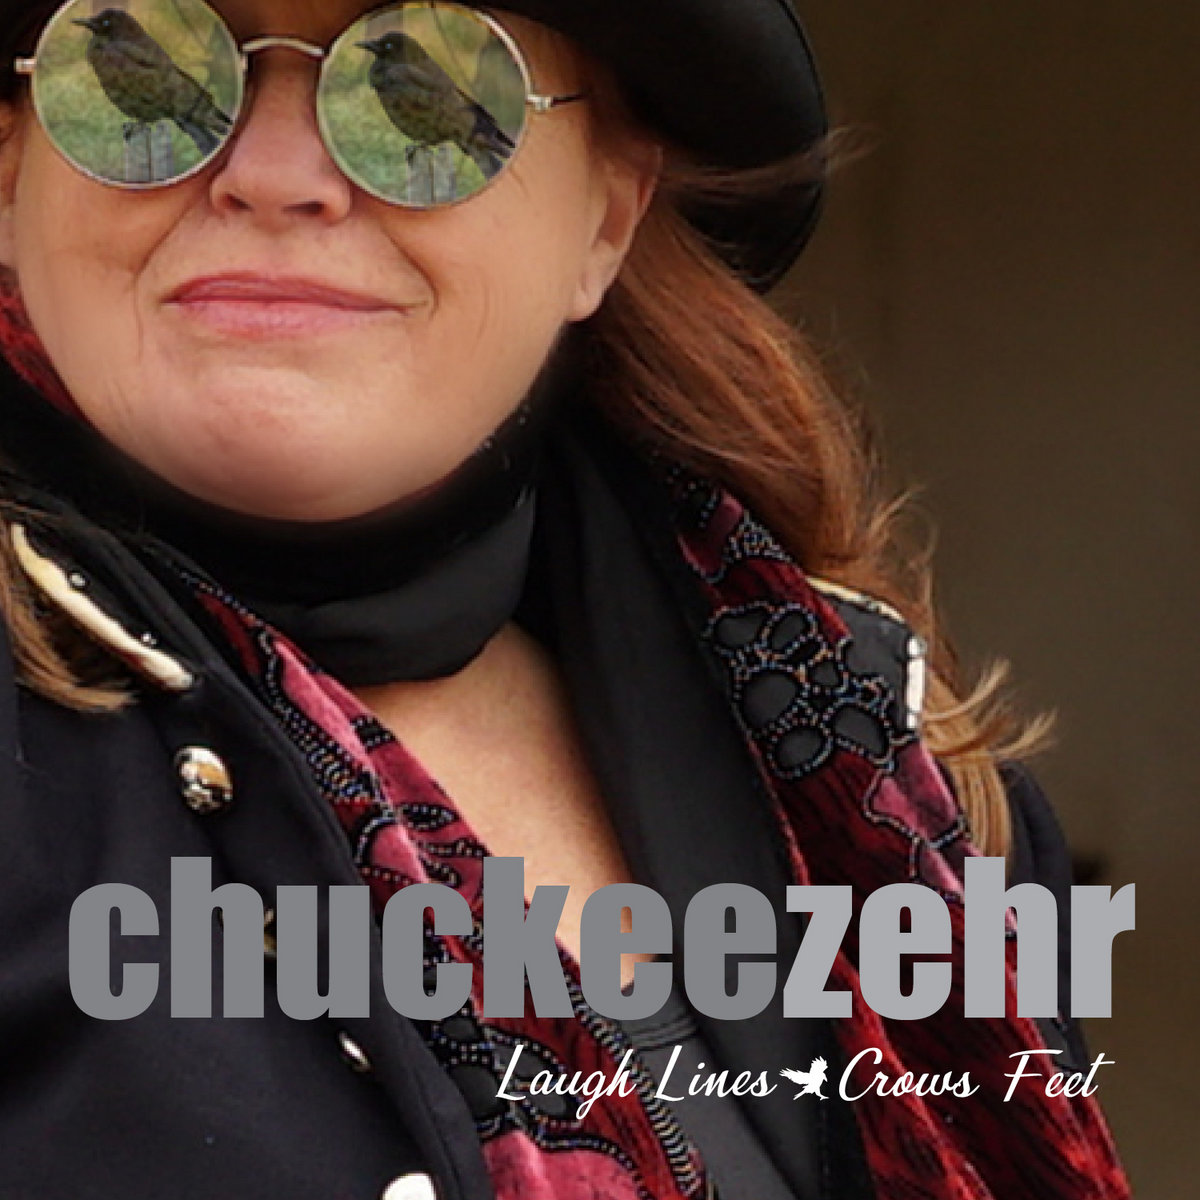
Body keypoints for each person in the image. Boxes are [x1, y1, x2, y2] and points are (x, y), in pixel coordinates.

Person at [0, 1, 1131, 1198]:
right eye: (136, 63)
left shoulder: (890, 767)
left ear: (606, 216)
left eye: (429, 87)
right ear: (11, 171)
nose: (277, 177)